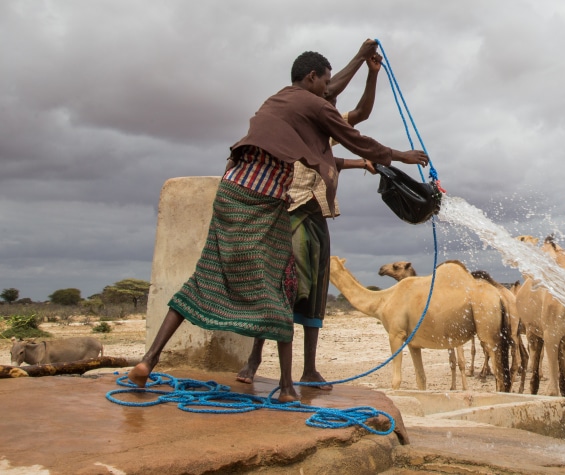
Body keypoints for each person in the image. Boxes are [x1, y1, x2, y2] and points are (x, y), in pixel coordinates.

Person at [128, 46, 429, 402]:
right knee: (282, 285)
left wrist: (365, 61)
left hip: (231, 193)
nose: (329, 89)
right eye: (325, 81)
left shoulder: (283, 100)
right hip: (266, 202)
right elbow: (356, 136)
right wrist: (400, 156)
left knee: (205, 277)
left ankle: (148, 360)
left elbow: (340, 105)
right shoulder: (314, 106)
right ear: (312, 78)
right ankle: (287, 386)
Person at [235, 41, 384, 389]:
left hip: (318, 213)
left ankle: (309, 369)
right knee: (282, 286)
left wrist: (372, 75)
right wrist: (361, 57)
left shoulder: (324, 122)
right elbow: (335, 98)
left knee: (314, 292)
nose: (330, 98)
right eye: (325, 89)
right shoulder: (301, 119)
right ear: (313, 81)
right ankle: (255, 359)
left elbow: (359, 115)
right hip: (292, 209)